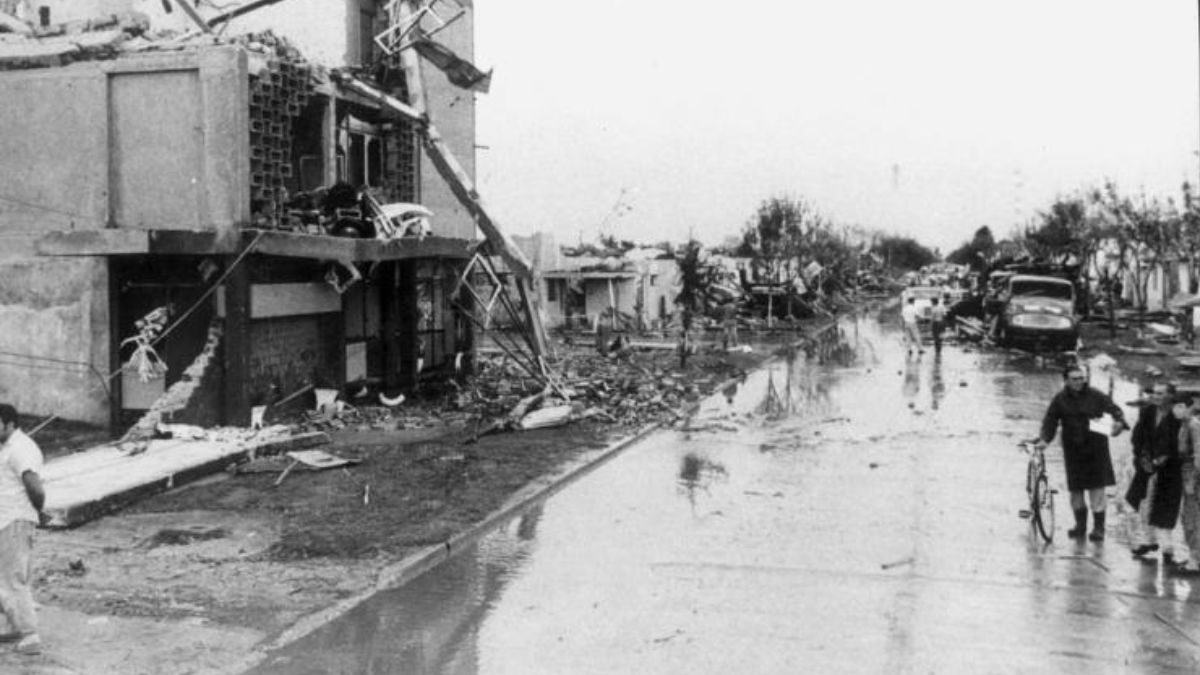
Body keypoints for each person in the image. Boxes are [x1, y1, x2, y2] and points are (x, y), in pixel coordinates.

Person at [1037, 365, 1128, 542]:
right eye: (1075, 379)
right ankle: (1080, 526)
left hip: (1096, 449)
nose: (1079, 382)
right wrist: (1044, 440)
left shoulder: (1096, 395)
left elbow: (1115, 410)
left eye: (1081, 378)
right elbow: (1050, 421)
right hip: (1073, 451)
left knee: (1097, 490)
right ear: (1066, 381)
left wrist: (1119, 422)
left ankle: (1099, 528)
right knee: (1076, 490)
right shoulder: (1060, 400)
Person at [0, 404, 45, 655]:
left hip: (15, 520)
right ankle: (8, 625)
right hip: (4, 518)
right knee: (2, 578)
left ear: (9, 424)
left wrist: (37, 512)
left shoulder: (21, 449)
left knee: (14, 578)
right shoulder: (5, 447)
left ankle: (30, 635)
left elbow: (35, 487)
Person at [1126, 382, 1184, 562]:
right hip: (1146, 465)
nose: (1156, 397)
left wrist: (1163, 459)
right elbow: (1137, 437)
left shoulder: (1177, 416)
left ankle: (1168, 548)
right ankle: (1148, 540)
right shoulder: (1148, 412)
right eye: (1155, 393)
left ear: (1171, 396)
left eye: (1160, 394)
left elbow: (1179, 442)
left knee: (1166, 506)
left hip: (1170, 469)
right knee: (1142, 502)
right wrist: (1142, 457)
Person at [1174, 394, 1200, 574]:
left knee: (1192, 518)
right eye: (1176, 406)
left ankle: (1195, 559)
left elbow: (1198, 454)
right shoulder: (1183, 426)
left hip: (1192, 475)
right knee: (1187, 517)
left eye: (1182, 406)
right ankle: (1193, 556)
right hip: (1185, 472)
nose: (1178, 409)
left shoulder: (1193, 426)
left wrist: (1193, 480)